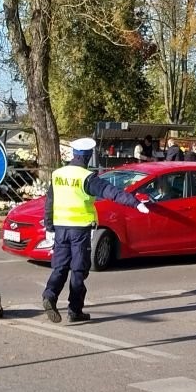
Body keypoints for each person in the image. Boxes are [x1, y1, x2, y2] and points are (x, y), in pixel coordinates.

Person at [42, 138, 150, 323]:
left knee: (60, 266)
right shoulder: (86, 178)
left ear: (74, 154)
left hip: (61, 228)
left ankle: (49, 295)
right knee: (78, 269)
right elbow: (111, 192)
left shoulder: (57, 174)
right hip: (80, 231)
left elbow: (50, 201)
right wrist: (136, 203)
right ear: (87, 156)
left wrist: (49, 225)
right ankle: (75, 310)